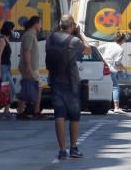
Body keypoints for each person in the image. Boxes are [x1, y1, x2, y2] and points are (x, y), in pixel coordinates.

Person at [46, 14, 87, 159]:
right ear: (72, 26)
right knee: (74, 117)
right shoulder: (74, 40)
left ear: (59, 24)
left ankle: (62, 150)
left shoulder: (50, 38)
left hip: (55, 80)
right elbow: (87, 50)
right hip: (71, 83)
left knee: (59, 115)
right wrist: (80, 33)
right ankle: (74, 148)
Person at [18, 16, 44, 119]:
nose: (41, 26)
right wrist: (28, 67)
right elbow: (27, 51)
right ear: (35, 24)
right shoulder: (29, 35)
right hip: (30, 68)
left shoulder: (31, 34)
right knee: (37, 87)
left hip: (31, 67)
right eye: (40, 23)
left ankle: (22, 111)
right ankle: (34, 111)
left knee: (26, 87)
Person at [0, 21, 17, 120]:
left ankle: (6, 111)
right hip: (1, 67)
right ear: (9, 29)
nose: (14, 31)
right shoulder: (1, 40)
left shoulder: (6, 40)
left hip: (6, 68)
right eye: (13, 29)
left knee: (10, 89)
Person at [100, 32, 129, 114]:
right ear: (122, 40)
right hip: (112, 69)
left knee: (107, 86)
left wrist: (103, 58)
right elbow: (117, 62)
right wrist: (123, 68)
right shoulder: (120, 49)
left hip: (104, 66)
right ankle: (116, 107)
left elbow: (98, 48)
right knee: (115, 87)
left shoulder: (109, 44)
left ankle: (107, 107)